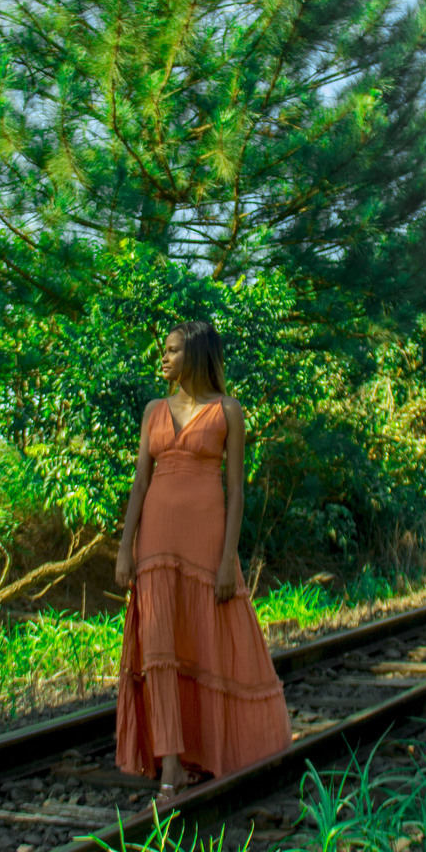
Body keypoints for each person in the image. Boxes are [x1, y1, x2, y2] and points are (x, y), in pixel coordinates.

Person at [114, 320, 293, 804]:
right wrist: (125, 546)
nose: (164, 358)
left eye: (172, 350)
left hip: (205, 542)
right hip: (156, 542)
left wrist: (226, 561)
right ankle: (170, 762)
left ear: (195, 354)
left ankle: (214, 751)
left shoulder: (227, 411)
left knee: (211, 644)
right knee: (160, 653)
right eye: (163, 350)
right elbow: (140, 484)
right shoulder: (154, 410)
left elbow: (236, 493)